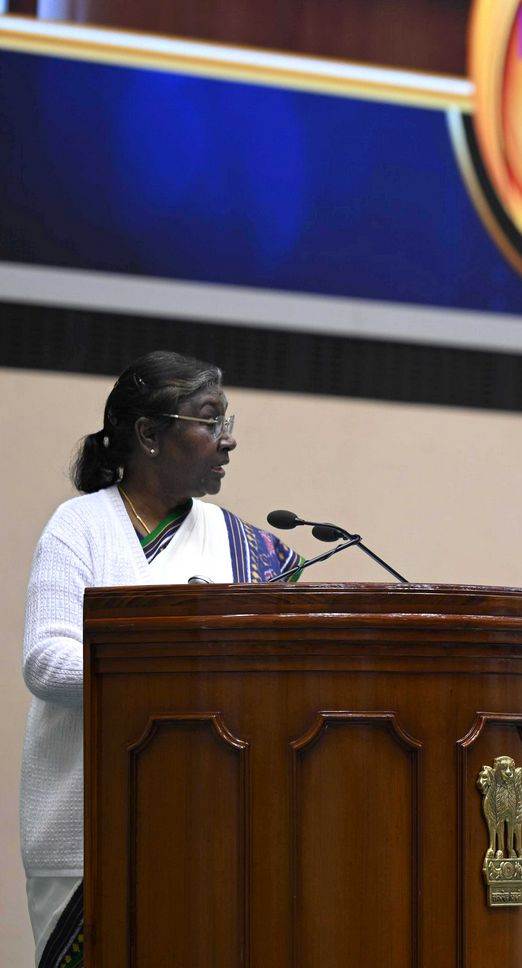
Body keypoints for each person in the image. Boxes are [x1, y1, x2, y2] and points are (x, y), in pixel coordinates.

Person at [20, 351, 300, 968]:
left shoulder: (243, 547)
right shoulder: (79, 527)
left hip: (215, 832)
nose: (228, 440)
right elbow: (46, 662)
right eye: (209, 420)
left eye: (227, 421)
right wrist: (173, 671)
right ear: (149, 433)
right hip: (91, 835)